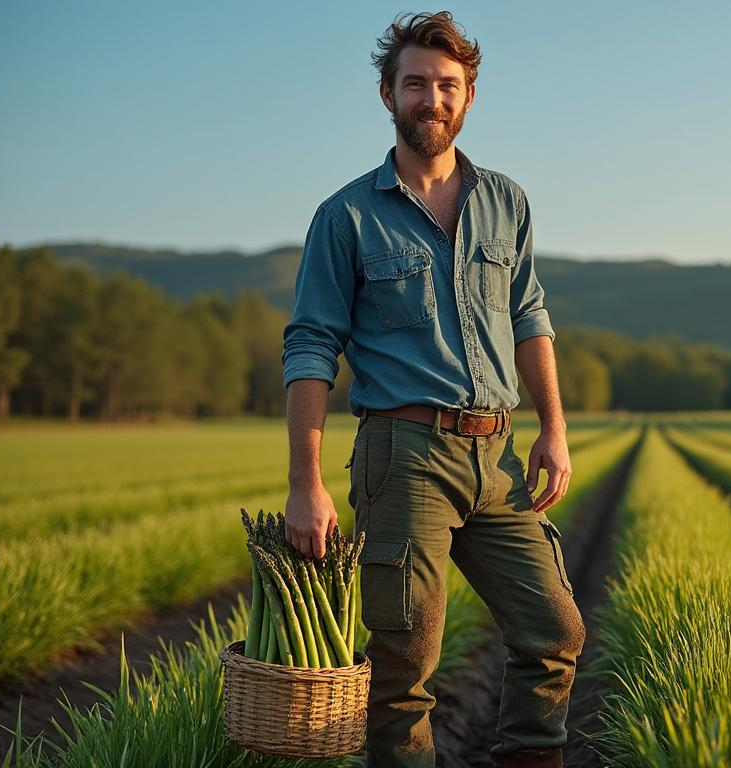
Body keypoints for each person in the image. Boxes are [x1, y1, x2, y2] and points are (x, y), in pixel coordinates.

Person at [279, 11, 583, 768]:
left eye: (447, 85)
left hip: (498, 456)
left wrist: (553, 427)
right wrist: (304, 483)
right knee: (405, 667)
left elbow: (528, 312)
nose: (432, 99)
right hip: (404, 454)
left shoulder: (505, 200)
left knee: (556, 631)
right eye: (416, 84)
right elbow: (312, 343)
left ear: (468, 97)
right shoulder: (347, 215)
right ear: (388, 94)